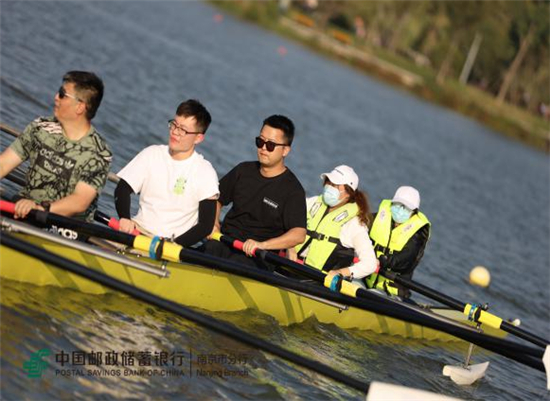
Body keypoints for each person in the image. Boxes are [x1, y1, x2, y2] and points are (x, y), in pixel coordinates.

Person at [0, 71, 112, 221]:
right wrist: (31, 207)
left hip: (64, 225)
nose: (55, 97)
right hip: (24, 207)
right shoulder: (41, 127)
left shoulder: (99, 153)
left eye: (62, 94)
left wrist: (41, 209)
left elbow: (79, 202)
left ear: (80, 107)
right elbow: (3, 164)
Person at [204, 114, 306, 269]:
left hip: (258, 258)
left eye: (270, 145)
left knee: (237, 265)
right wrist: (214, 224)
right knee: (210, 249)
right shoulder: (243, 170)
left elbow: (298, 234)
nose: (263, 148)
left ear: (285, 150)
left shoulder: (293, 190)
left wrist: (263, 245)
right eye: (260, 141)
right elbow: (216, 198)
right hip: (225, 241)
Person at [114, 99, 219, 247]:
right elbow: (122, 189)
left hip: (170, 245)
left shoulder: (205, 173)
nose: (175, 132)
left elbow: (205, 226)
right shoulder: (152, 154)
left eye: (183, 129)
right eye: (174, 125)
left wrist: (173, 245)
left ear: (198, 138)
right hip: (136, 231)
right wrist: (124, 218)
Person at [292, 165, 378, 280]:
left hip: (316, 281)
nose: (329, 187)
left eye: (335, 185)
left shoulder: (354, 224)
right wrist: (290, 248)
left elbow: (370, 264)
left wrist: (340, 272)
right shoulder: (312, 203)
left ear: (348, 193)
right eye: (328, 182)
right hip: (290, 266)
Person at [364, 186, 431, 298]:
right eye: (398, 205)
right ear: (392, 203)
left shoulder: (417, 235)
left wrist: (385, 261)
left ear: (413, 212)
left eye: (405, 207)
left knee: (373, 295)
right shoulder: (377, 218)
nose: (400, 210)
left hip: (391, 293)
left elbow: (406, 258)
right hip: (364, 278)